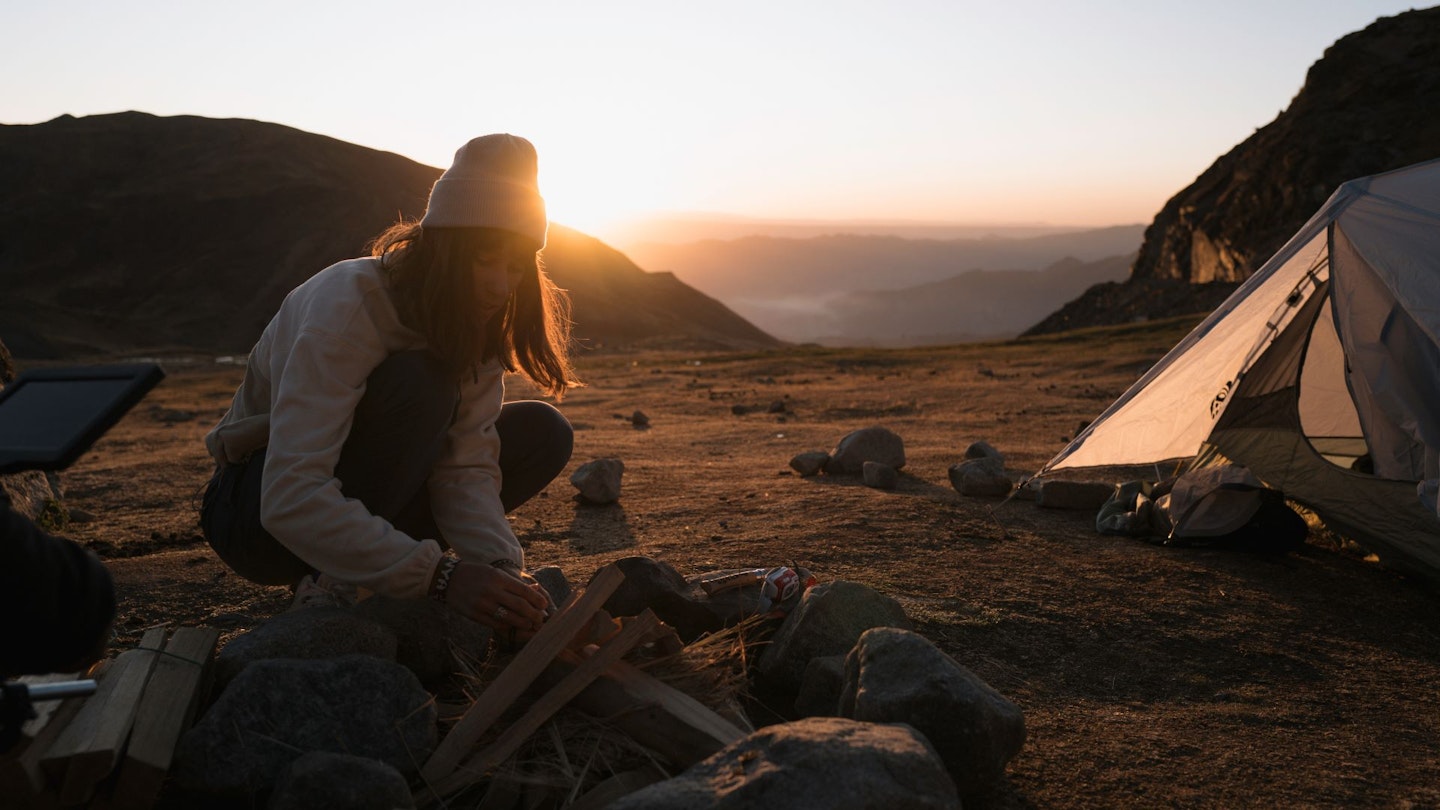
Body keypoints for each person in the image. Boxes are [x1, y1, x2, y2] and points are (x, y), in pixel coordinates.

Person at [200, 134, 576, 636]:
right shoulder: (348, 304)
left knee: (542, 432)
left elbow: (465, 467)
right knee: (422, 384)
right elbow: (291, 494)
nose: (500, 285)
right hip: (257, 517)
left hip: (361, 498)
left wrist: (501, 571)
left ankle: (370, 569)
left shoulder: (474, 319)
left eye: (513, 266)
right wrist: (440, 576)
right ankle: (330, 583)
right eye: (485, 258)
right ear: (443, 246)